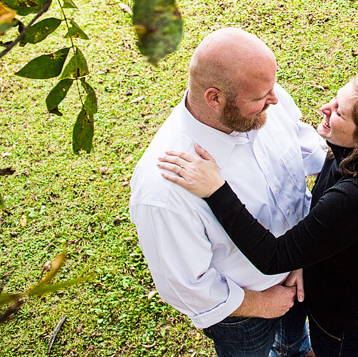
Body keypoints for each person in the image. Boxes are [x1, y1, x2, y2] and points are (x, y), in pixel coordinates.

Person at [158, 76, 358, 357]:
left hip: (348, 328)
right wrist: (303, 260)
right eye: (335, 99)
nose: (324, 108)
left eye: (339, 112)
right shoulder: (352, 156)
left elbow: (274, 257)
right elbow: (324, 228)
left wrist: (217, 190)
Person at [129, 28, 327, 357]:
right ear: (215, 98)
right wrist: (261, 303)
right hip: (244, 314)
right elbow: (186, 286)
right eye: (260, 96)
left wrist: (303, 258)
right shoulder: (163, 188)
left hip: (299, 274)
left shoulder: (265, 103)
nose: (275, 99)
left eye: (272, 87)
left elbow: (309, 151)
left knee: (296, 344)